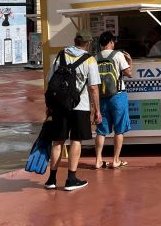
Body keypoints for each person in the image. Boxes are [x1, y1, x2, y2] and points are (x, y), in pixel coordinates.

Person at [44, 28, 101, 191]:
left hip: (59, 105)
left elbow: (50, 80)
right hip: (80, 106)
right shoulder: (90, 60)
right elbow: (94, 88)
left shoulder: (61, 55)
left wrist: (49, 106)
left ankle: (51, 179)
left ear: (75, 40)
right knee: (76, 140)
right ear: (88, 43)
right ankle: (71, 179)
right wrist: (97, 110)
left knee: (58, 141)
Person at [94, 31, 133, 169]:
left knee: (101, 130)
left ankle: (98, 160)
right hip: (118, 96)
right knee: (119, 129)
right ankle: (115, 160)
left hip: (101, 97)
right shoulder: (118, 55)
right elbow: (128, 73)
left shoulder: (95, 57)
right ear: (110, 42)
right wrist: (130, 61)